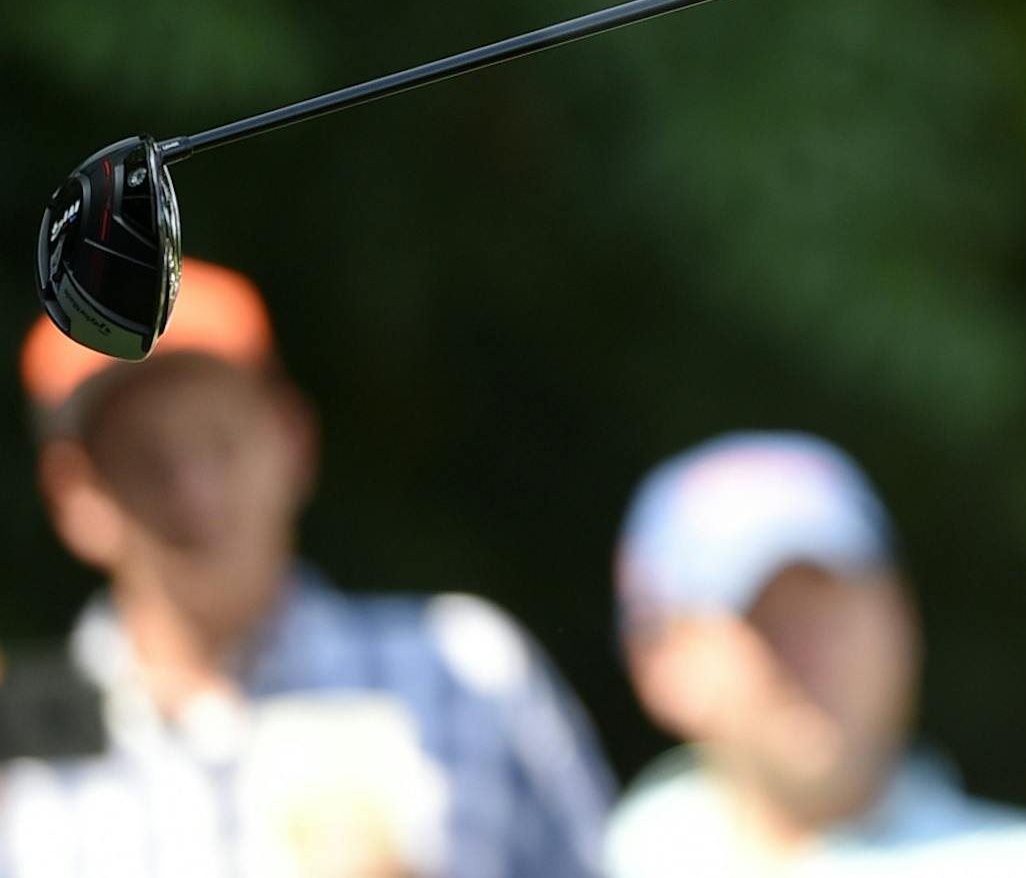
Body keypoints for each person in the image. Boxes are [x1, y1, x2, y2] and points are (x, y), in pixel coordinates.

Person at [4, 258, 615, 878]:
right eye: (147, 460)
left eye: (222, 442)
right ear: (75, 497)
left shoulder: (463, 668)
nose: (196, 495)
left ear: (292, 441)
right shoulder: (18, 742)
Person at [606, 431, 1026, 877]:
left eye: (831, 607)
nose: (808, 651)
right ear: (658, 661)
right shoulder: (585, 860)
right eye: (765, 622)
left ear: (902, 617)